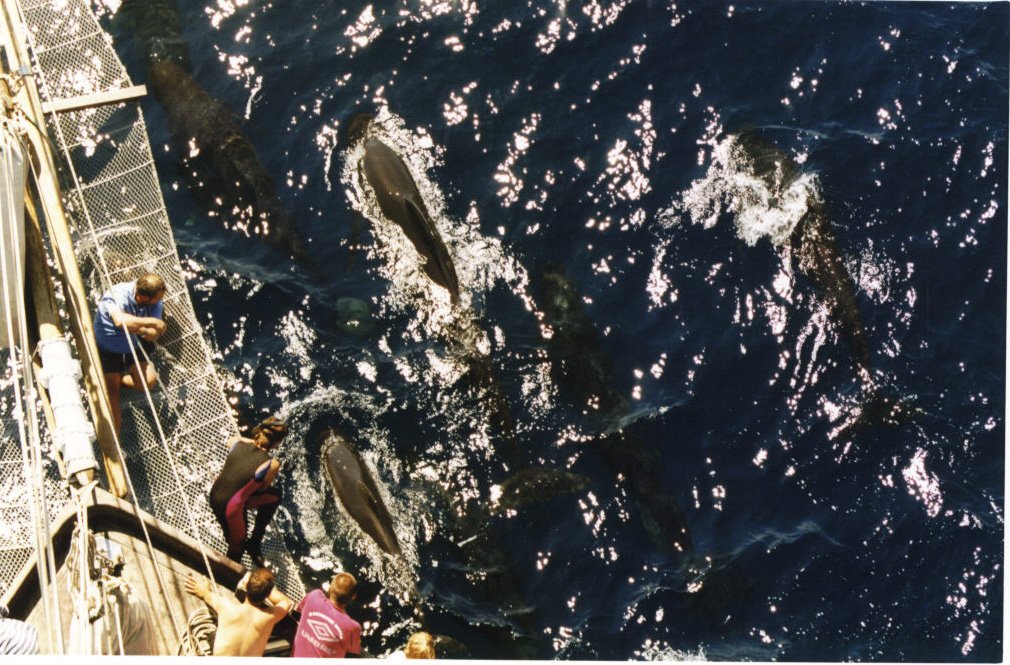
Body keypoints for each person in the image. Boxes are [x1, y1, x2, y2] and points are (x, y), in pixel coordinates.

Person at [92, 273, 167, 434]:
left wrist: (145, 330)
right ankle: (115, 440)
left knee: (148, 383)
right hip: (108, 349)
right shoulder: (118, 293)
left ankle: (119, 380)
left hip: (134, 345)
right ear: (143, 297)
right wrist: (152, 323)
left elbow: (153, 335)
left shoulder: (156, 303)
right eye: (156, 299)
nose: (159, 302)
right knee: (112, 396)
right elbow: (119, 321)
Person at [209, 417, 287, 567]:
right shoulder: (272, 464)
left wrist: (256, 442)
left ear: (259, 432)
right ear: (277, 444)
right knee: (237, 545)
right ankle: (229, 575)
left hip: (215, 494)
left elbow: (234, 439)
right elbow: (262, 489)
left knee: (273, 496)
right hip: (231, 508)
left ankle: (253, 542)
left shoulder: (237, 444)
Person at [184, 567, 292, 657]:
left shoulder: (226, 607)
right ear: (267, 595)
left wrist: (205, 588)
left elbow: (204, 593)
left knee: (213, 636)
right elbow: (285, 601)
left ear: (245, 585)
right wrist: (264, 587)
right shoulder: (269, 618)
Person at [291, 572, 362, 658]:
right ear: (353, 596)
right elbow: (354, 651)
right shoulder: (352, 627)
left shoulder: (314, 596)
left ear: (329, 588)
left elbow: (300, 608)